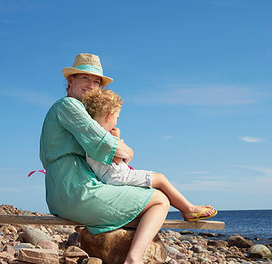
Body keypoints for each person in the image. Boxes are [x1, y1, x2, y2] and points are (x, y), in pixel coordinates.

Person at [39, 53, 217, 264]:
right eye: (85, 78)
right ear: (70, 81)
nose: (91, 85)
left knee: (151, 193)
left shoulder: (75, 110)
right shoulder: (68, 105)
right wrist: (125, 148)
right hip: (76, 191)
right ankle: (134, 260)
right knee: (160, 199)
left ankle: (134, 249)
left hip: (64, 191)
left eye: (96, 82)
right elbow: (106, 146)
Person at [81, 88, 218, 223]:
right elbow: (118, 160)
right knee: (160, 179)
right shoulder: (105, 137)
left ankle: (179, 209)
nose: (116, 121)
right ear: (109, 115)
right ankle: (188, 209)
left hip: (112, 175)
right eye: (117, 117)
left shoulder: (91, 135)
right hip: (115, 176)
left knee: (154, 182)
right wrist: (117, 139)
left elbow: (125, 159)